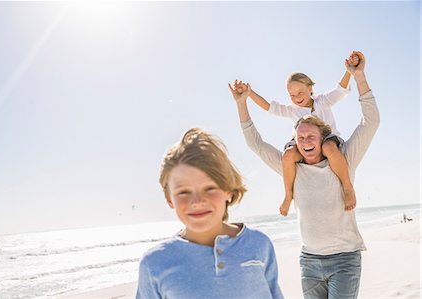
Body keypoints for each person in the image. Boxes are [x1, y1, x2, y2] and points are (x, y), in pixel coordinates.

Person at [230, 51, 380, 298]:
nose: (305, 142)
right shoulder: (292, 168)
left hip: (345, 260)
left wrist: (359, 76)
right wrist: (242, 103)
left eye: (311, 137)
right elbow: (255, 143)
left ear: (323, 138)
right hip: (309, 262)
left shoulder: (343, 158)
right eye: (300, 138)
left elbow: (370, 122)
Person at [135, 128, 284, 299]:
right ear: (169, 198)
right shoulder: (155, 263)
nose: (197, 201)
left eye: (209, 188)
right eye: (184, 192)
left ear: (228, 190)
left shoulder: (258, 244)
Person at [234, 55, 359, 216]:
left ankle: (348, 187)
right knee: (287, 155)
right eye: (292, 95)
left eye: (300, 92)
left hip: (328, 139)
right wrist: (249, 93)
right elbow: (268, 107)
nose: (297, 98)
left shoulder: (322, 102)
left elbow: (340, 90)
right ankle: (288, 195)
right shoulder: (292, 110)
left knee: (328, 147)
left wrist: (348, 72)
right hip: (304, 144)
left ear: (310, 88)